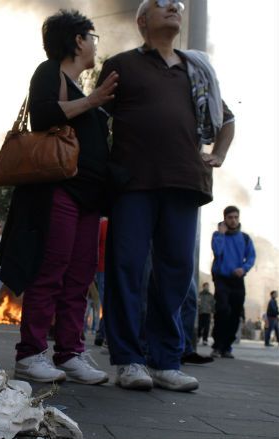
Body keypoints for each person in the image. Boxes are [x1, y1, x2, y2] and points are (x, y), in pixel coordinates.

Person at [98, 0, 235, 392]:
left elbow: (225, 119)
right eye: (162, 3)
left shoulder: (196, 71)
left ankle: (165, 360)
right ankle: (128, 360)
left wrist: (219, 153)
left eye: (177, 3)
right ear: (142, 21)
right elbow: (96, 115)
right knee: (126, 269)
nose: (174, 5)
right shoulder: (121, 65)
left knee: (175, 274)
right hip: (132, 184)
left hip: (185, 183)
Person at [0, 9, 118, 385]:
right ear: (78, 40)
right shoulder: (50, 72)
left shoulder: (83, 88)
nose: (95, 45)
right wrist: (94, 100)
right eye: (92, 37)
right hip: (59, 190)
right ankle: (31, 354)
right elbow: (44, 116)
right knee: (51, 270)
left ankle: (70, 353)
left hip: (88, 197)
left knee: (79, 277)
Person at [211, 206, 256, 358]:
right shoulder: (218, 235)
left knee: (235, 313)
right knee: (223, 309)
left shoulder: (245, 238)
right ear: (225, 219)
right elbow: (217, 252)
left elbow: (251, 257)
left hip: (237, 280)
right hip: (221, 278)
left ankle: (227, 347)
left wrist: (244, 269)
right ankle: (217, 346)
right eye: (230, 217)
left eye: (236, 217)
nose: (233, 220)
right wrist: (221, 235)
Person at [180, 278, 213, 365]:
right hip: (202, 312)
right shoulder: (202, 294)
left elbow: (212, 303)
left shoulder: (210, 295)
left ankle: (184, 350)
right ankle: (145, 351)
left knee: (190, 299)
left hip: (207, 313)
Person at [94, 217, 108, 346]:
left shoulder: (103, 224)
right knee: (108, 302)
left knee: (107, 302)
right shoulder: (103, 224)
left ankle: (102, 333)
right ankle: (103, 334)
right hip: (103, 269)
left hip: (103, 269)